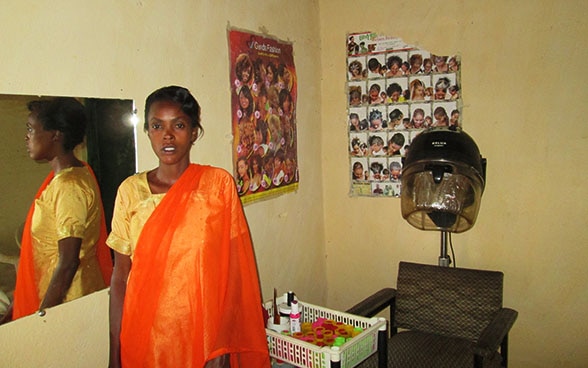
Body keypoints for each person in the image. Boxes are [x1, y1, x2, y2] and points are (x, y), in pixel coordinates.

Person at [107, 86, 269, 367]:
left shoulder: (218, 186)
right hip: (143, 337)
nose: (167, 136)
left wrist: (221, 347)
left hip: (202, 338)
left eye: (179, 125)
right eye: (157, 126)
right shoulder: (130, 192)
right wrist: (114, 353)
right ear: (147, 131)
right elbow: (120, 278)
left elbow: (234, 277)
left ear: (194, 132)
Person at [1, 97, 112, 324]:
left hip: (68, 306)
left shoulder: (69, 186)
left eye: (32, 129)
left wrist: (42, 319)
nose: (27, 136)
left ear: (55, 135)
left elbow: (68, 262)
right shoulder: (67, 178)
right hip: (59, 300)